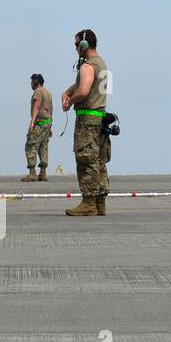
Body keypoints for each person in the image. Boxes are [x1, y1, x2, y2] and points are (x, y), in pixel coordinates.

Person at [61, 29, 110, 216]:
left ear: (83, 45)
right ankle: (99, 203)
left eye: (76, 45)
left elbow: (83, 91)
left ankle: (88, 203)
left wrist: (70, 100)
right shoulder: (102, 65)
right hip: (99, 117)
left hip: (87, 121)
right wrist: (68, 90)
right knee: (99, 161)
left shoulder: (88, 66)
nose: (75, 49)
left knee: (86, 161)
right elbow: (88, 84)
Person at [21, 74, 52, 181]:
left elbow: (36, 107)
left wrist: (32, 123)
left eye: (32, 82)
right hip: (47, 122)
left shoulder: (38, 91)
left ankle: (32, 173)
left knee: (30, 145)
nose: (31, 84)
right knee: (43, 146)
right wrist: (50, 125)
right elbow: (50, 109)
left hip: (40, 123)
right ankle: (43, 173)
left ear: (36, 82)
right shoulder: (47, 92)